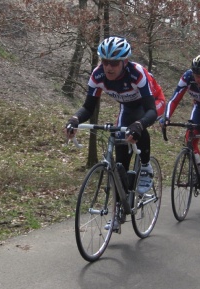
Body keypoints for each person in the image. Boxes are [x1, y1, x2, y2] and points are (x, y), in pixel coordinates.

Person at [64, 36, 159, 231]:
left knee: (139, 127)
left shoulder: (137, 74)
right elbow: (88, 108)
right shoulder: (97, 76)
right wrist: (74, 119)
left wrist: (140, 125)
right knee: (120, 159)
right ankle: (119, 209)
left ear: (124, 62)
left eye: (114, 63)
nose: (109, 67)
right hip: (128, 107)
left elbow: (151, 110)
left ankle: (147, 166)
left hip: (151, 103)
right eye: (105, 61)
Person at [161, 54, 200, 188]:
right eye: (197, 76)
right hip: (199, 108)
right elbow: (174, 99)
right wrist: (166, 117)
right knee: (189, 138)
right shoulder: (187, 77)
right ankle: (199, 168)